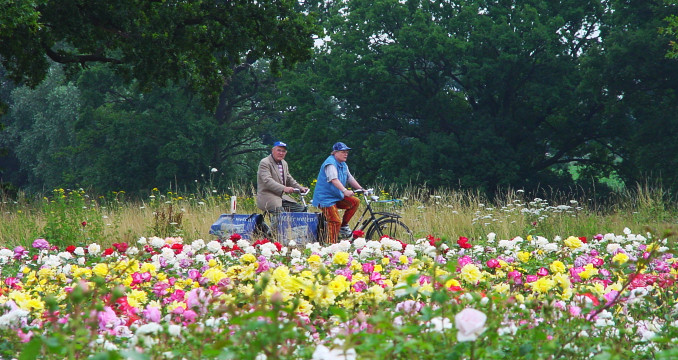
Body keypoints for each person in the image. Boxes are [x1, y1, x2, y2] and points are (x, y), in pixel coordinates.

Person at [312, 142, 364, 243]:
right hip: (325, 198)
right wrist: (345, 191)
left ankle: (343, 226)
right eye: (343, 152)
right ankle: (330, 246)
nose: (346, 154)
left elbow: (350, 178)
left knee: (355, 202)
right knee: (335, 221)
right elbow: (333, 179)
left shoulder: (343, 164)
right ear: (335, 153)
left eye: (347, 152)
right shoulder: (330, 163)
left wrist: (362, 189)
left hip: (336, 196)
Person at [256, 141, 309, 213]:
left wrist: (300, 188)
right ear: (273, 150)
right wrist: (284, 188)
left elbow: (289, 179)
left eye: (283, 151)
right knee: (281, 213)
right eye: (279, 150)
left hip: (280, 197)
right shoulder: (265, 162)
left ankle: (296, 224)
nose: (281, 153)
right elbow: (267, 181)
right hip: (267, 197)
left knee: (301, 210)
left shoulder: (284, 163)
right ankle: (276, 224)